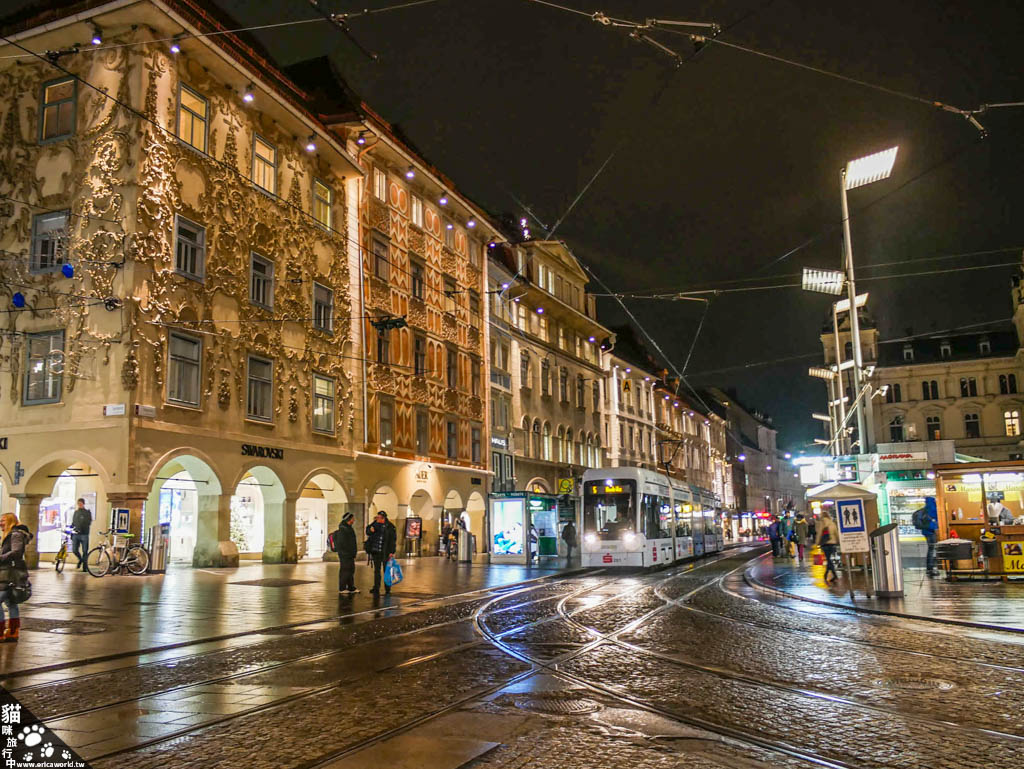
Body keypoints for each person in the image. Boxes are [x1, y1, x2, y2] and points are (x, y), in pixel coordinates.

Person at [0, 513, 33, 642]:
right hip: (9, 573)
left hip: (9, 574)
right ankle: (13, 632)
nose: (0, 523)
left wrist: (1, 558)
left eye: (2, 520)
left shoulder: (15, 534)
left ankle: (1, 632)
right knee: (11, 602)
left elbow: (16, 552)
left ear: (10, 521)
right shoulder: (13, 534)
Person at [365, 512, 397, 595]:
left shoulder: (390, 527)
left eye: (379, 518)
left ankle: (387, 588)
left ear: (383, 518)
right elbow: (368, 530)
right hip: (376, 552)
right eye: (377, 517)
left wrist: (391, 551)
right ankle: (376, 587)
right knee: (377, 571)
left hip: (385, 552)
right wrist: (370, 530)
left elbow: (393, 540)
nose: (377, 519)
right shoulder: (375, 524)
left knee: (386, 570)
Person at [912, 497, 940, 577]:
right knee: (933, 550)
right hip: (932, 532)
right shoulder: (932, 509)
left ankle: (930, 568)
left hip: (926, 532)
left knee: (931, 549)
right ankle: (931, 568)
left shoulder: (924, 509)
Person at [333, 512, 358, 594]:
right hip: (345, 554)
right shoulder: (343, 529)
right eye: (352, 518)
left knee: (351, 570)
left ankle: (351, 587)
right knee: (345, 570)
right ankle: (342, 588)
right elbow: (343, 543)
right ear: (349, 519)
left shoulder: (348, 528)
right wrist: (347, 552)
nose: (354, 520)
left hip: (349, 554)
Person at [815, 511, 840, 583]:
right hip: (832, 543)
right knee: (829, 559)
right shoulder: (832, 523)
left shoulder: (821, 524)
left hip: (825, 544)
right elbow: (836, 533)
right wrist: (838, 541)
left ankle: (832, 575)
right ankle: (830, 575)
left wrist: (817, 543)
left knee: (828, 559)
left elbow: (819, 534)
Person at [71, 497, 92, 571]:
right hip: (76, 534)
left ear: (83, 504)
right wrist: (71, 528)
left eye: (80, 503)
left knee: (85, 551)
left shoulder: (87, 512)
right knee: (74, 550)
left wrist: (82, 527)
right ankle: (81, 560)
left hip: (84, 534)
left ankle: (84, 567)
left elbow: (88, 522)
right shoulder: (76, 512)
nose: (79, 505)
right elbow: (73, 522)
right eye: (78, 503)